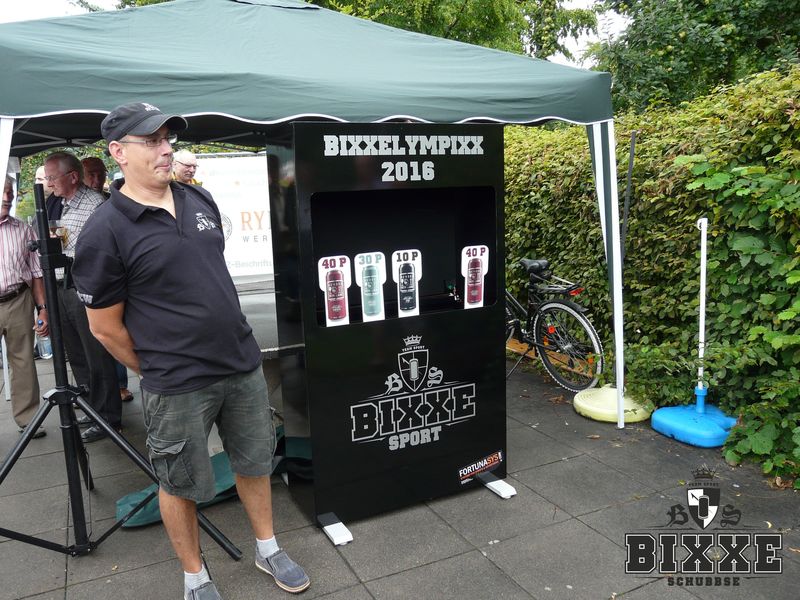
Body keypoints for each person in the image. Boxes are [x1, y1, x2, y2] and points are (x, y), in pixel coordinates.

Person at [72, 102, 309, 599]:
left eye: (167, 139)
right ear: (118, 152)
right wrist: (156, 365)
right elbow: (104, 329)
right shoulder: (104, 230)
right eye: (151, 141)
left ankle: (268, 547)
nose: (166, 150)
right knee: (178, 482)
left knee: (255, 462)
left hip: (240, 363)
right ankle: (195, 577)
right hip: (177, 384)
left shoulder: (198, 199)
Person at [43, 151, 122, 443]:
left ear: (72, 177)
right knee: (76, 353)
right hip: (62, 286)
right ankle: (91, 407)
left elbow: (100, 251)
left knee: (96, 354)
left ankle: (107, 417)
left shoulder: (95, 205)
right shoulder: (58, 202)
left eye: (52, 177)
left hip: (85, 287)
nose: (49, 183)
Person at [80, 156, 133, 403]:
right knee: (100, 334)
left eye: (100, 173)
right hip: (90, 277)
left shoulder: (113, 201)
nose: (96, 179)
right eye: (91, 174)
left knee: (115, 328)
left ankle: (120, 384)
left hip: (116, 278)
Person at [0, 175, 49, 439]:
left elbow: (36, 273)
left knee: (23, 360)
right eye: (2, 191)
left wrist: (43, 308)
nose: (8, 197)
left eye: (10, 191)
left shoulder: (23, 230)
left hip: (18, 299)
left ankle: (28, 420)